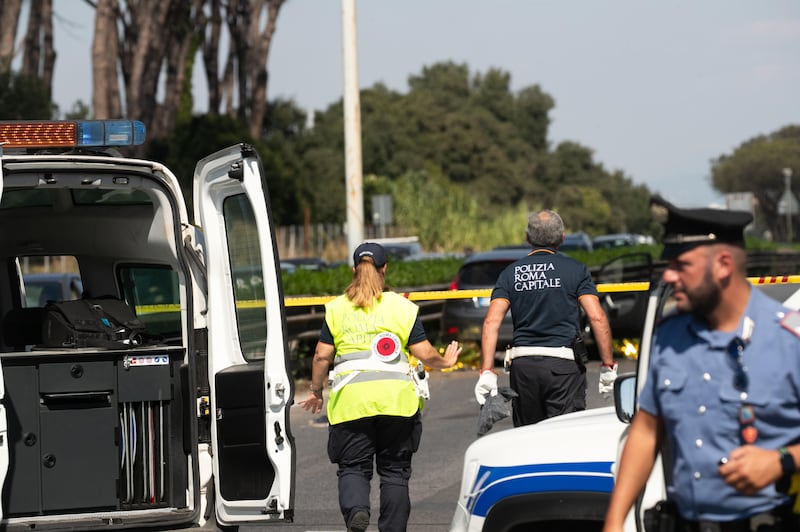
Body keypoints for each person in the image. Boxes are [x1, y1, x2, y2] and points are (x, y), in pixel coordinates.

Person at [603, 195, 800, 531]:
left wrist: (782, 461)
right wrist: (614, 521)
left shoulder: (788, 339)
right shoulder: (669, 335)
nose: (670, 275)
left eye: (682, 265)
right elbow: (647, 430)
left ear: (723, 265)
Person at [298, 242, 461, 532]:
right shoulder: (402, 307)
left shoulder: (336, 309)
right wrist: (446, 362)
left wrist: (316, 390)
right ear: (385, 269)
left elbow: (322, 355)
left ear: (353, 270)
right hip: (397, 403)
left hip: (351, 403)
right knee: (395, 473)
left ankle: (357, 512)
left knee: (353, 468)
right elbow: (424, 353)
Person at [474, 209, 617, 427]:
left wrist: (486, 369)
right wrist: (607, 364)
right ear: (562, 237)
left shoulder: (510, 273)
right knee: (565, 439)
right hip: (563, 369)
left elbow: (491, 322)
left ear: (527, 238)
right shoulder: (576, 270)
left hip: (523, 368)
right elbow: (597, 317)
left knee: (528, 438)